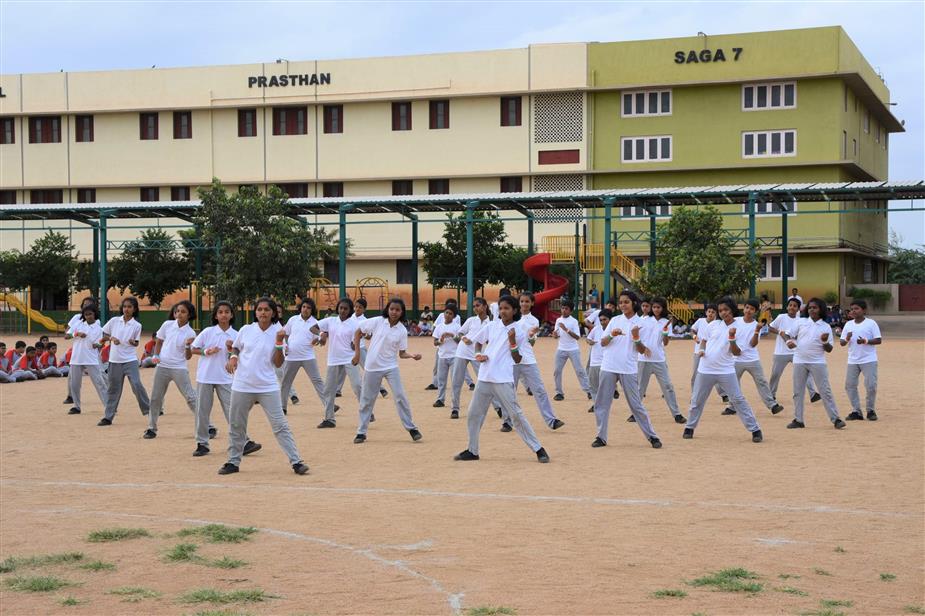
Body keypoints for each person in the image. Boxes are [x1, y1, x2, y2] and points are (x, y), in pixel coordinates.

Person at [219, 297, 309, 475]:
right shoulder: (246, 329)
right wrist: (233, 357)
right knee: (237, 425)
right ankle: (233, 462)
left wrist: (277, 342)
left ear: (273, 313)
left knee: (280, 425)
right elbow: (235, 348)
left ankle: (296, 461)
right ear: (255, 312)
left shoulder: (279, 332)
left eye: (267, 310)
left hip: (267, 386)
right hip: (242, 385)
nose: (262, 313)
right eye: (259, 309)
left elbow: (278, 362)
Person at [454, 295, 550, 463]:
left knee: (516, 415)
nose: (503, 311)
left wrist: (512, 341)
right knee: (473, 414)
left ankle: (539, 449)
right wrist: (478, 354)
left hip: (503, 379)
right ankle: (472, 450)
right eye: (501, 308)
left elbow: (518, 359)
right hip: (484, 377)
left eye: (507, 308)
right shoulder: (492, 325)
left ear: (514, 310)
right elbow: (477, 342)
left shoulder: (518, 330)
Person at [683, 297, 764, 443]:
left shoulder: (740, 326)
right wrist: (701, 350)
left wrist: (732, 338)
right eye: (720, 310)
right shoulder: (713, 324)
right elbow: (704, 340)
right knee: (697, 400)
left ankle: (755, 430)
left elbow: (737, 352)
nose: (723, 313)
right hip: (705, 369)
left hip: (726, 371)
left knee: (738, 400)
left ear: (732, 310)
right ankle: (689, 427)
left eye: (726, 310)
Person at [591, 291, 663, 449]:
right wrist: (611, 335)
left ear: (633, 304)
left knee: (636, 405)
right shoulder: (615, 320)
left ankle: (652, 436)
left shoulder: (642, 323)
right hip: (608, 366)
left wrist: (636, 337)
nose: (623, 305)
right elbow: (602, 343)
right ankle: (600, 436)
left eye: (626, 302)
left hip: (628, 369)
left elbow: (642, 350)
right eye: (621, 302)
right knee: (602, 403)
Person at [191, 301, 262, 458]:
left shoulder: (236, 335)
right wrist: (206, 351)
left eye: (227, 312)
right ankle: (202, 443)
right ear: (215, 316)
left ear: (231, 315)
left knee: (233, 411)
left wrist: (231, 352)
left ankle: (243, 442)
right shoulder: (208, 332)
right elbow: (193, 349)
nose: (223, 314)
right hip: (206, 376)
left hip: (226, 378)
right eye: (220, 312)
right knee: (202, 411)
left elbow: (240, 356)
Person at [351, 297, 423, 444]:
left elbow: (402, 353)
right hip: (372, 366)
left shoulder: (402, 330)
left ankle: (412, 428)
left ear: (402, 312)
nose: (394, 312)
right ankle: (361, 432)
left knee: (400, 396)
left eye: (397, 310)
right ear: (387, 309)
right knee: (367, 400)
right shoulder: (378, 321)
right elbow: (358, 332)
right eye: (391, 309)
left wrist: (412, 356)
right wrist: (357, 353)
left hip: (391, 367)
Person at [783, 297, 845, 430]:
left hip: (817, 362)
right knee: (798, 392)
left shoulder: (825, 326)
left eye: (815, 307)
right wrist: (788, 342)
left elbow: (829, 349)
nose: (812, 310)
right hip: (799, 360)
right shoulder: (801, 322)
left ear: (821, 309)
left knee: (825, 391)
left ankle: (836, 419)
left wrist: (824, 341)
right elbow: (786, 334)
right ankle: (798, 419)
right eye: (810, 307)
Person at [144, 300, 200, 439]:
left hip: (179, 368)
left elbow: (188, 357)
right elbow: (159, 341)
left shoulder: (191, 333)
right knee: (156, 398)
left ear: (189, 315)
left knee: (190, 397)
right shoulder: (167, 325)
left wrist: (188, 346)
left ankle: (208, 425)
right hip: (162, 366)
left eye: (183, 311)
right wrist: (156, 355)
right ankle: (151, 428)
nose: (179, 314)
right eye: (177, 311)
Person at [721, 299, 784, 417]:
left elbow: (753, 344)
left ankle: (772, 405)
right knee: (733, 383)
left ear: (755, 311)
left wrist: (756, 331)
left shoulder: (757, 325)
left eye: (752, 309)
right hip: (736, 359)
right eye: (747, 308)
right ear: (743, 308)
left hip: (752, 359)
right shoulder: (736, 321)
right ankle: (732, 406)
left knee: (762, 382)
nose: (748, 310)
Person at [511, 292, 563, 430]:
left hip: (528, 359)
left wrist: (532, 336)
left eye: (527, 301)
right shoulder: (512, 318)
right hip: (511, 360)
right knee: (510, 391)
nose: (524, 304)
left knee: (539, 390)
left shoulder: (534, 321)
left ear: (532, 303)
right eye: (522, 301)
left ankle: (551, 420)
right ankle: (507, 421)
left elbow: (531, 342)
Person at [98, 297, 150, 426]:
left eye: (129, 307)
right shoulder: (114, 321)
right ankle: (108, 417)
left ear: (134, 309)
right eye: (125, 306)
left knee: (137, 385)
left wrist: (133, 342)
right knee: (113, 389)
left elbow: (136, 342)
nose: (126, 309)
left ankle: (149, 410)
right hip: (114, 360)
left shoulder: (137, 325)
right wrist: (111, 338)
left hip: (130, 360)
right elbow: (102, 334)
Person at [637, 297, 686, 424]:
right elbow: (635, 337)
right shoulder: (643, 320)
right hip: (643, 359)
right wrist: (643, 348)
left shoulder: (666, 322)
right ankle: (635, 412)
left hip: (659, 359)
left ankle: (676, 414)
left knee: (668, 386)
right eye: (654, 307)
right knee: (640, 388)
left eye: (658, 307)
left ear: (663, 308)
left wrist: (665, 333)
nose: (656, 309)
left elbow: (666, 343)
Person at [315, 297, 363, 429]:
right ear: (338, 308)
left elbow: (361, 335)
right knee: (329, 390)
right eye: (341, 308)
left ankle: (367, 413)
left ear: (350, 310)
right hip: (333, 359)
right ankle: (329, 419)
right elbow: (313, 327)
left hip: (349, 358)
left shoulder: (354, 324)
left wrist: (356, 347)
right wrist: (322, 334)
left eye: (346, 309)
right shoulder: (331, 321)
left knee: (358, 386)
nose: (342, 310)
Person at [279, 298, 326, 415]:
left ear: (312, 310)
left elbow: (322, 337)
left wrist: (318, 339)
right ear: (300, 308)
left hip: (308, 357)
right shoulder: (293, 320)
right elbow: (285, 334)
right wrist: (285, 345)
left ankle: (329, 404)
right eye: (304, 307)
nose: (305, 309)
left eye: (309, 308)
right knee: (286, 382)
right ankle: (282, 407)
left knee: (317, 381)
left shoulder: (315, 322)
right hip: (291, 357)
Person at [767, 298, 820, 403]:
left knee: (805, 372)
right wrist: (779, 332)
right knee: (775, 374)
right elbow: (770, 327)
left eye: (795, 306)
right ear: (787, 307)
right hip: (781, 352)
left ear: (798, 309)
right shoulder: (781, 317)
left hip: (796, 352)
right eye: (790, 305)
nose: (792, 307)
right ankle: (771, 394)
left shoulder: (800, 321)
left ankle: (813, 393)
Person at [839, 299, 881, 421]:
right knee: (850, 385)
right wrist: (846, 338)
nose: (853, 311)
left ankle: (870, 410)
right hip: (853, 360)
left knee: (871, 385)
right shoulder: (848, 325)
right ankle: (856, 411)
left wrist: (866, 341)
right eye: (852, 309)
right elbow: (842, 343)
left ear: (864, 310)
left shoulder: (871, 323)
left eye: (856, 309)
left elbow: (878, 340)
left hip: (869, 359)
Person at [450, 297, 492, 416]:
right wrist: (464, 338)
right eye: (474, 306)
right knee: (456, 381)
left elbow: (490, 340)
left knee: (485, 380)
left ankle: (498, 407)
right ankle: (455, 409)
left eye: (478, 305)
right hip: (462, 352)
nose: (475, 308)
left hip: (477, 354)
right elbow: (460, 333)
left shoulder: (490, 323)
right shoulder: (471, 320)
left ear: (485, 306)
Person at [65, 304, 108, 415]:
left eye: (90, 314)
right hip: (76, 358)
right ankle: (76, 406)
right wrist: (76, 334)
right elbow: (66, 336)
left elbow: (99, 344)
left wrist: (98, 345)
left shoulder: (98, 328)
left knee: (99, 383)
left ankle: (108, 406)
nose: (88, 316)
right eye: (86, 314)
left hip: (91, 359)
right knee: (75, 384)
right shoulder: (78, 324)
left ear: (94, 314)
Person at [345, 297, 388, 399]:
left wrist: (363, 335)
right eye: (356, 307)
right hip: (348, 349)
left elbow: (369, 336)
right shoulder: (350, 318)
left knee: (368, 369)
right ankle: (337, 390)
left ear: (364, 309)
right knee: (342, 369)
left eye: (360, 307)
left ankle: (381, 388)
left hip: (360, 348)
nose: (357, 309)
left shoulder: (365, 320)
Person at [552, 300, 591, 401]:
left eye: (566, 309)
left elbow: (577, 337)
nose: (564, 310)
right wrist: (555, 335)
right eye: (562, 308)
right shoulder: (558, 320)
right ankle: (559, 393)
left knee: (579, 371)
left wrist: (566, 329)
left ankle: (588, 391)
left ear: (570, 311)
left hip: (573, 349)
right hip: (561, 349)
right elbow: (556, 335)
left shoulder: (573, 321)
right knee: (557, 371)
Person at [63, 297, 98, 405]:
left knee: (100, 375)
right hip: (79, 352)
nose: (87, 306)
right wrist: (75, 333)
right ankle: (71, 396)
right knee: (72, 376)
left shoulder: (96, 320)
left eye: (90, 305)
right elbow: (67, 332)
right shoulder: (77, 318)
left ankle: (108, 396)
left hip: (91, 353)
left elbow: (98, 337)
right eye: (85, 304)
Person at [689, 304, 726, 403]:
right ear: (706, 312)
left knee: (715, 373)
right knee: (695, 375)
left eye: (713, 312)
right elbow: (692, 330)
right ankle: (694, 396)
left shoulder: (718, 324)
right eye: (709, 311)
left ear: (716, 314)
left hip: (712, 353)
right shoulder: (700, 321)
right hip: (698, 351)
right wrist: (694, 337)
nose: (710, 313)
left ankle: (723, 394)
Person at [431, 305, 460, 413]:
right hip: (442, 356)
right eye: (446, 312)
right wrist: (441, 340)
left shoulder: (457, 327)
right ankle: (440, 399)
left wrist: (452, 335)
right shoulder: (439, 327)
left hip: (454, 356)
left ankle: (454, 403)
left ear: (454, 316)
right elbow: (435, 342)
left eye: (450, 313)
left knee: (454, 381)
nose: (447, 315)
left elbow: (459, 341)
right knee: (441, 380)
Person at [585, 308, 611, 413]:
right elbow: (588, 338)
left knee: (605, 388)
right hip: (594, 363)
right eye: (601, 320)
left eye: (605, 319)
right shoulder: (596, 329)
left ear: (610, 319)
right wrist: (589, 341)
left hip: (607, 364)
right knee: (593, 387)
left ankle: (603, 405)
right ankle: (597, 405)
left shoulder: (614, 330)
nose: (602, 322)